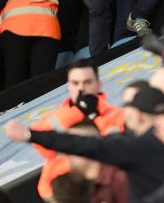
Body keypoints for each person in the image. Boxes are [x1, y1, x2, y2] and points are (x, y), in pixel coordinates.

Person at [6, 86, 164, 203]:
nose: (71, 152)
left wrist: (30, 135)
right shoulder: (72, 187)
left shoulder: (124, 169)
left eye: (74, 146)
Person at [30, 60, 126, 201]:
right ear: (68, 87)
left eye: (87, 82)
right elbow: (38, 141)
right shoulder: (54, 119)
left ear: (98, 84)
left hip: (109, 190)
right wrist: (78, 111)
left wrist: (92, 113)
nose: (81, 88)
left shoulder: (117, 115)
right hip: (61, 196)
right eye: (75, 83)